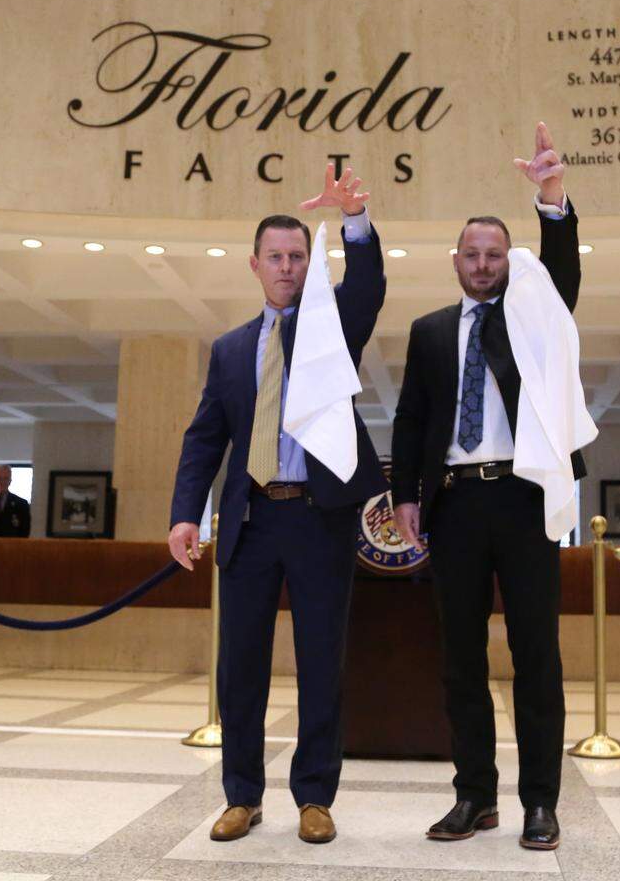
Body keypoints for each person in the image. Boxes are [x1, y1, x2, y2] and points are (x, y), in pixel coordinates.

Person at [168, 164, 387, 845]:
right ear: (255, 265)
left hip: (319, 518)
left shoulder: (332, 326)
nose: (287, 267)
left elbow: (370, 287)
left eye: (298, 257)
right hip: (249, 521)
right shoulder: (231, 348)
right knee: (241, 667)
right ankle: (242, 795)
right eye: (276, 257)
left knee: (322, 660)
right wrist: (184, 512)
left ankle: (315, 796)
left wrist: (354, 224)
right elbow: (206, 436)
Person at [390, 122, 586, 851]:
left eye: (494, 255)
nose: (481, 265)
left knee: (537, 655)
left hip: (525, 498)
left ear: (510, 261)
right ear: (454, 262)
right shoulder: (430, 330)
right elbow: (411, 416)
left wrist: (551, 199)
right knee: (460, 659)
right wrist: (405, 494)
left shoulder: (532, 313)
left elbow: (563, 277)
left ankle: (541, 801)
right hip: (457, 505)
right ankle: (475, 796)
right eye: (471, 255)